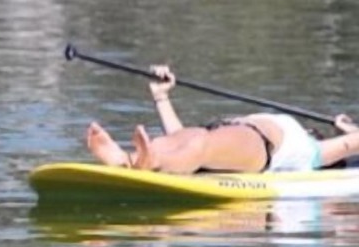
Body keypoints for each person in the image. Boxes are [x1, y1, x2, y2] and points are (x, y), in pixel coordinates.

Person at [86, 64, 359, 173]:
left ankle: (148, 161)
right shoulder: (307, 141)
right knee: (187, 138)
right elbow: (180, 134)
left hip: (259, 144)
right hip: (223, 133)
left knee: (199, 144)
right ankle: (127, 160)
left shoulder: (315, 153)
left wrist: (348, 132)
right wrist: (161, 96)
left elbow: (352, 145)